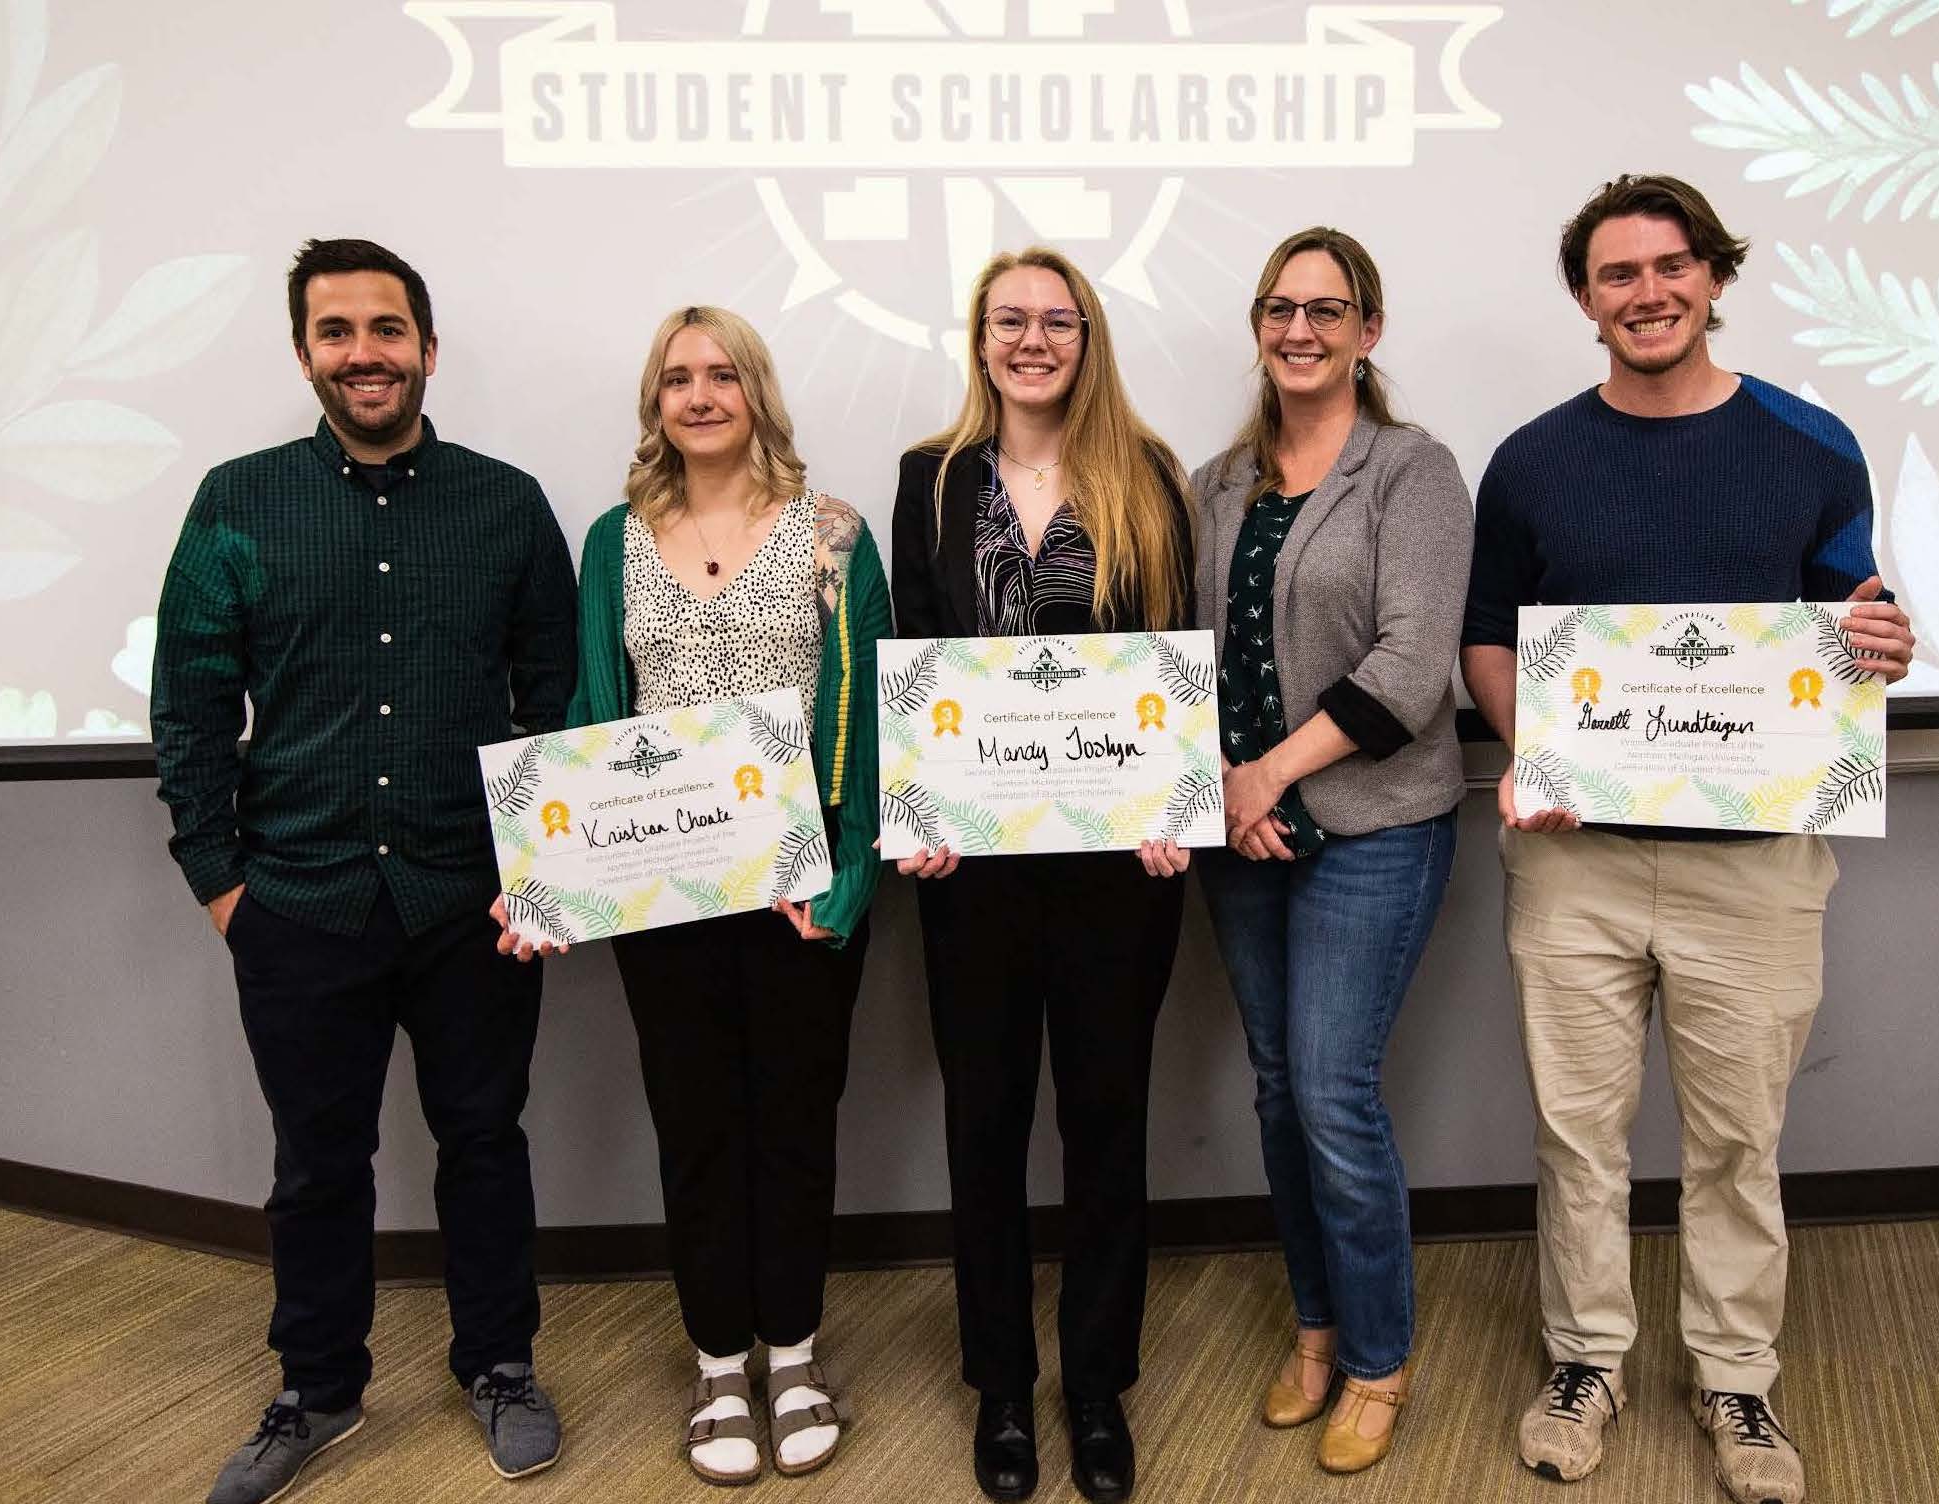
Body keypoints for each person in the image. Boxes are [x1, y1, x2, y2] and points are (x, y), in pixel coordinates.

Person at [1459, 175, 1916, 1504]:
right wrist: (1523, 748)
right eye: (1615, 274)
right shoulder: (1533, 459)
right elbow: (1490, 635)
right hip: (1573, 858)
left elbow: (1852, 622)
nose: (1645, 292)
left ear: (1715, 277)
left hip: (1753, 864)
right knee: (1577, 1133)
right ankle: (1584, 1360)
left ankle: (1734, 1379)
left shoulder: (1811, 442)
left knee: (1733, 1140)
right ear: (1583, 298)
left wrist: (1883, 639)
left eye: (1671, 267)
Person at [151, 238, 577, 1503]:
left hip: (471, 899)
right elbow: (188, 706)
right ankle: (318, 1387)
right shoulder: (238, 500)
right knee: (315, 1161)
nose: (363, 353)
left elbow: (554, 705)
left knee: (483, 1141)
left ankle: (499, 1364)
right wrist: (223, 882)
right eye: (335, 332)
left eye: (386, 330)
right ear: (304, 355)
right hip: (298, 900)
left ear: (427, 349)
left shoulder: (506, 503)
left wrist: (543, 872)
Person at [497, 305, 889, 1484]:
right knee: (697, 1125)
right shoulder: (613, 540)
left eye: (724, 374)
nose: (702, 394)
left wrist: (856, 874)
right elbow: (585, 718)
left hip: (796, 889)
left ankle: (794, 1354)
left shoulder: (833, 535)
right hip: (658, 889)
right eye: (679, 378)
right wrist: (546, 881)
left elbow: (865, 718)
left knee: (793, 1123)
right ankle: (720, 1364)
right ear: (654, 401)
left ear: (758, 393)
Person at [888, 246, 1194, 1504]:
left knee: (1106, 1121)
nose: (1031, 340)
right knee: (984, 1122)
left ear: (1086, 336)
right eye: (1007, 320)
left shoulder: (1147, 475)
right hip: (975, 864)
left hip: (1120, 867)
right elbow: (910, 641)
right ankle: (1003, 1387)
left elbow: (1179, 648)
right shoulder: (931, 480)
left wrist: (1174, 800)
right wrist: (916, 806)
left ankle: (1094, 1385)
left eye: (1054, 320)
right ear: (978, 338)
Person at [1188, 226, 1472, 1476]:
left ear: (1367, 329)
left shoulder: (1410, 471)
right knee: (1270, 1090)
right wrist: (1227, 791)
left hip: (1370, 824)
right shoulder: (1216, 481)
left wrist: (1269, 771)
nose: (1297, 329)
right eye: (1276, 308)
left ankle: (1375, 1356)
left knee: (1330, 1093)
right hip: (1241, 832)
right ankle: (1312, 1328)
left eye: (1325, 308)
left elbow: (1410, 670)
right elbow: (1184, 661)